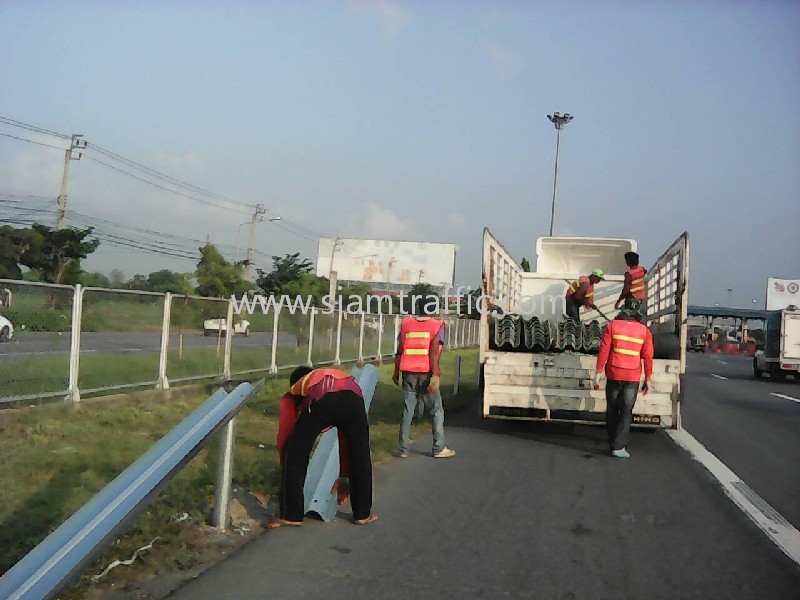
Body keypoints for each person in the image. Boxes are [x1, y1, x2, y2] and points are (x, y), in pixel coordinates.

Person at [268, 366, 378, 528]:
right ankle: (362, 514)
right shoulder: (337, 376)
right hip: (355, 400)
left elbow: (285, 434)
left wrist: (286, 463)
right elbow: (346, 443)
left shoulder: (295, 390)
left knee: (295, 454)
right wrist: (344, 476)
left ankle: (292, 515)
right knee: (360, 455)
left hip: (323, 398)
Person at [392, 295, 455, 459]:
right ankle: (438, 447)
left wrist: (395, 372)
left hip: (408, 373)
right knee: (436, 410)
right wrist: (435, 374)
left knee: (407, 410)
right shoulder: (437, 325)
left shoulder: (406, 324)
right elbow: (434, 351)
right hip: (426, 372)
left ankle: (402, 448)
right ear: (433, 309)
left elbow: (400, 349)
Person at [593, 308, 654, 458]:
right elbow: (647, 357)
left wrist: (597, 372)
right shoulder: (644, 331)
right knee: (626, 412)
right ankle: (619, 447)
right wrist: (648, 379)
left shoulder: (612, 326)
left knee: (612, 409)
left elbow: (604, 350)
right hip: (632, 377)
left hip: (614, 373)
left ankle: (612, 442)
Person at [615, 252, 647, 319]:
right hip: (641, 297)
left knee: (628, 317)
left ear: (628, 261)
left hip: (632, 298)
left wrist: (619, 301)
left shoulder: (629, 273)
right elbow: (645, 272)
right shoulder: (642, 269)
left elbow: (626, 290)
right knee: (637, 317)